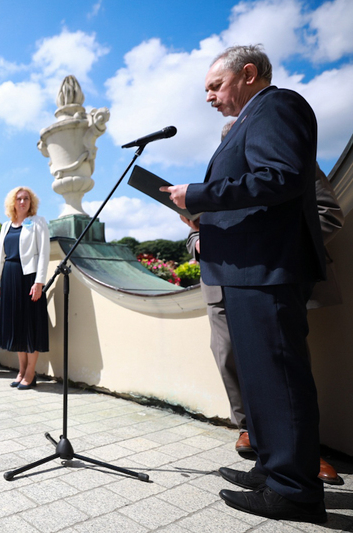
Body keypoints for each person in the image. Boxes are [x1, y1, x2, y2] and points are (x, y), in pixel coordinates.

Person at [162, 45, 327, 523]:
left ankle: (295, 492)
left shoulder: (278, 106)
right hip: (244, 272)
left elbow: (280, 177)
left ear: (248, 74)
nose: (210, 97)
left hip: (267, 270)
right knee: (259, 381)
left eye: (215, 86)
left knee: (280, 382)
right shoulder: (249, 120)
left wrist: (197, 194)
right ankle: (272, 469)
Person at [187, 122, 344, 486]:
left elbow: (328, 214)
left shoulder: (292, 165)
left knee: (284, 369)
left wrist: (265, 249)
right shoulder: (219, 182)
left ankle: (303, 456)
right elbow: (199, 230)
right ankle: (254, 437)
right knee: (227, 355)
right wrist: (195, 236)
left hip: (271, 279)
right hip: (221, 284)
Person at [0, 186, 49, 390]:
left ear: (31, 202)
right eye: (19, 199)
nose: (22, 202)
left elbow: (44, 253)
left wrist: (39, 282)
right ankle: (21, 369)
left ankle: (30, 373)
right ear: (13, 203)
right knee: (16, 325)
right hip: (10, 277)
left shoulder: (38, 222)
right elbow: (0, 256)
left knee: (30, 326)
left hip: (29, 278)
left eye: (26, 199)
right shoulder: (6, 226)